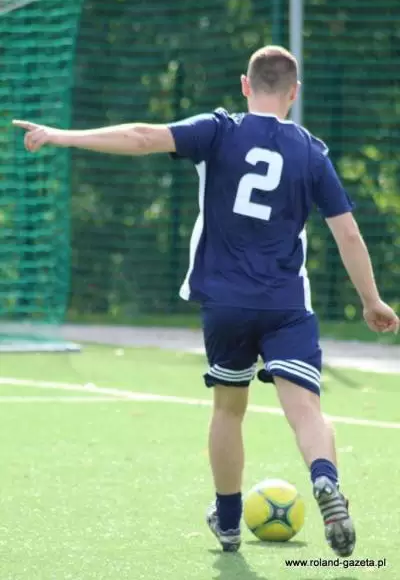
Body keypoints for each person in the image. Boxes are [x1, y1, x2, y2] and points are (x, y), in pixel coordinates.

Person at [13, 45, 399, 558]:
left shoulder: (219, 130)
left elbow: (142, 137)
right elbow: (347, 233)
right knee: (306, 410)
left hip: (225, 302)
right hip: (285, 303)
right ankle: (325, 479)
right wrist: (371, 300)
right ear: (294, 92)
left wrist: (61, 135)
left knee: (229, 409)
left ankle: (230, 522)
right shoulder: (311, 152)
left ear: (245, 85)